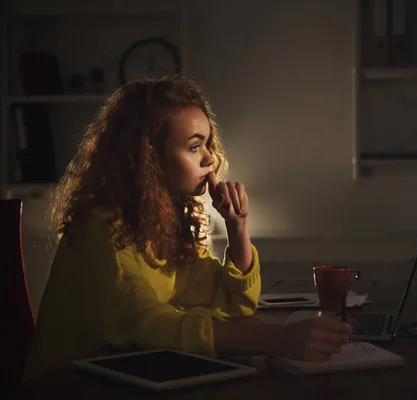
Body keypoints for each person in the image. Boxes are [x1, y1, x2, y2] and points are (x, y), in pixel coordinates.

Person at [22, 76, 352, 381]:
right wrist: (276, 338)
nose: (210, 159)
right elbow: (147, 323)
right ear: (147, 157)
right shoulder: (101, 226)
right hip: (67, 387)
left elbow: (236, 303)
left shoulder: (166, 222)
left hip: (128, 378)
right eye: (194, 147)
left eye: (208, 143)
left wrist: (237, 227)